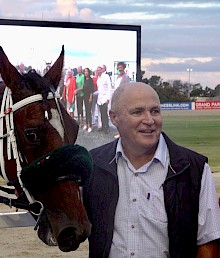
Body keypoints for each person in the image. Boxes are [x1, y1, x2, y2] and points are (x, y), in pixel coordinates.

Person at [83, 82, 220, 258]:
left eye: (155, 111)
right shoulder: (93, 165)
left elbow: (208, 242)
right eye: (137, 112)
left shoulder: (194, 168)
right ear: (114, 117)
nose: (149, 120)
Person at [112, 61, 131, 139]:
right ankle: (119, 132)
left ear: (123, 68)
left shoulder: (126, 77)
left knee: (122, 116)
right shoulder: (117, 77)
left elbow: (126, 88)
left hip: (122, 98)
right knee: (117, 116)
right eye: (119, 67)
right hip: (116, 97)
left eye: (121, 67)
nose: (120, 68)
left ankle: (122, 133)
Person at [96, 66, 112, 133]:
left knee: (105, 114)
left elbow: (109, 88)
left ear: (102, 70)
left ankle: (106, 127)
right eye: (97, 70)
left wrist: (108, 98)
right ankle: (103, 126)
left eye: (100, 70)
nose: (98, 71)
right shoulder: (98, 78)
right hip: (100, 99)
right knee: (101, 114)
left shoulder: (106, 76)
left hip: (105, 98)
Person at [82, 68, 94, 133]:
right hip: (85, 97)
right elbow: (83, 88)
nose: (86, 72)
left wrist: (90, 97)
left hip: (89, 97)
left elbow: (92, 89)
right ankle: (86, 124)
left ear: (89, 72)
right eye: (85, 71)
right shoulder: (84, 79)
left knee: (89, 112)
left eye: (87, 71)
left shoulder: (90, 80)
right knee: (86, 111)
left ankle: (90, 126)